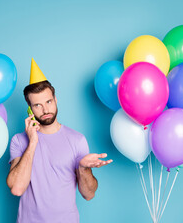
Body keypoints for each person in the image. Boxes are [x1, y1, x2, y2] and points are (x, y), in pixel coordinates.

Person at [6, 59, 112, 223]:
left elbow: (89, 194)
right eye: (37, 105)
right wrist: (33, 141)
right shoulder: (19, 141)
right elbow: (17, 188)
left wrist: (83, 168)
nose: (45, 110)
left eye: (48, 102)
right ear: (30, 109)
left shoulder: (77, 140)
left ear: (56, 100)